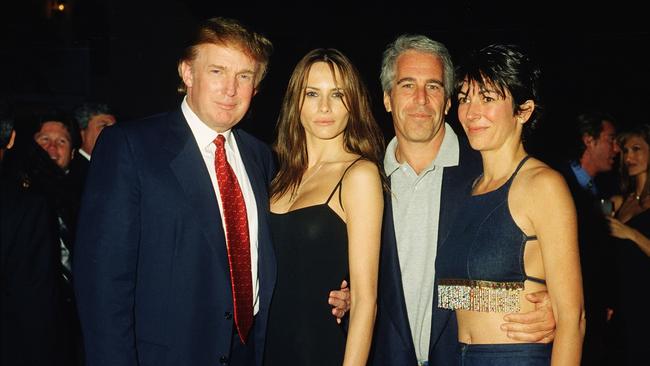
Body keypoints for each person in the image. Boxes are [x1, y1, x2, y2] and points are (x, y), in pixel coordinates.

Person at [73, 17, 346, 366]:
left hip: (255, 352)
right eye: (217, 71)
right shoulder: (130, 147)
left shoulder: (260, 156)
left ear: (256, 87)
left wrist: (342, 290)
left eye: (244, 76)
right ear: (187, 73)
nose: (230, 89)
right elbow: (102, 287)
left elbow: (280, 252)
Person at [369, 35, 557, 366]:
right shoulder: (363, 179)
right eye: (407, 85)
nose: (421, 99)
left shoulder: (487, 174)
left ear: (447, 101)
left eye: (434, 86)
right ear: (387, 98)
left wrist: (549, 306)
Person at [435, 44, 585, 365]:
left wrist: (551, 310)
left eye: (487, 98)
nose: (471, 112)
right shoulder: (465, 189)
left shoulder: (543, 186)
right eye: (465, 98)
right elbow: (455, 294)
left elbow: (573, 319)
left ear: (524, 110)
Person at [264, 48, 384, 366]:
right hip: (263, 350)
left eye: (338, 94)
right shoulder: (274, 173)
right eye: (313, 93)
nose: (325, 107)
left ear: (353, 102)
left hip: (318, 350)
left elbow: (364, 300)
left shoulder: (359, 175)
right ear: (296, 101)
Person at [1, 104, 63, 365]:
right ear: (13, 139)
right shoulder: (24, 206)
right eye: (44, 140)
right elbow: (33, 307)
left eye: (61, 141)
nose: (51, 148)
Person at [555, 111, 618, 365]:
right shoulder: (559, 182)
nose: (616, 148)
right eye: (611, 139)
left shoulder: (597, 189)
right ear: (589, 140)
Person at [605, 124, 650, 364]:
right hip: (622, 302)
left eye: (636, 149)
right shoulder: (622, 200)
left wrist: (630, 234)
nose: (628, 157)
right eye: (625, 151)